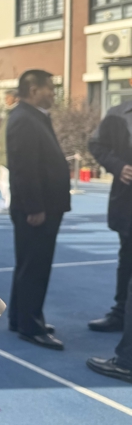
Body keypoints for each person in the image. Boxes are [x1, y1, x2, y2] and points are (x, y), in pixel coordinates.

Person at [7, 70, 70, 350]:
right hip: (37, 208)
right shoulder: (24, 119)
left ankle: (20, 317)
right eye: (50, 89)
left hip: (43, 204)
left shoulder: (34, 116)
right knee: (35, 265)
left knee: (29, 264)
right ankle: (31, 326)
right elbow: (24, 168)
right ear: (34, 90)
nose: (53, 94)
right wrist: (34, 206)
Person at [87, 104, 132, 335]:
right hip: (128, 200)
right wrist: (118, 166)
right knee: (128, 257)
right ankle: (121, 312)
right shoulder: (118, 113)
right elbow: (96, 144)